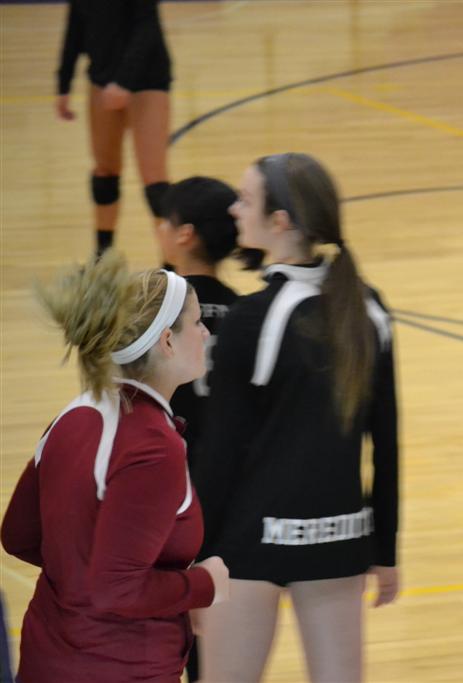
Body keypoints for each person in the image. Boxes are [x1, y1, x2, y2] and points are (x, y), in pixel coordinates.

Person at [192, 153, 400, 683]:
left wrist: (197, 558)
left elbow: (220, 455)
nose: (234, 210)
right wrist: (385, 548)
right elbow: (387, 441)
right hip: (341, 538)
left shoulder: (252, 320)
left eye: (245, 200)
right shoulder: (369, 308)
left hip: (250, 541)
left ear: (280, 222)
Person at [0, 252, 230, 682]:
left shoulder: (73, 414)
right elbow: (116, 589)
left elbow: (17, 535)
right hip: (122, 667)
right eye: (197, 322)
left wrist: (82, 575)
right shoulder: (154, 448)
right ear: (167, 341)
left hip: (46, 659)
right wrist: (204, 584)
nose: (205, 332)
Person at [157, 176, 241, 682]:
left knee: (164, 627)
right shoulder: (245, 310)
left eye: (164, 222)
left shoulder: (155, 311)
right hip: (224, 498)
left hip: (165, 491)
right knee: (214, 635)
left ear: (185, 234)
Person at [56, 0, 173, 256]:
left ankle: (171, 265)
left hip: (147, 79)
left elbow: (147, 27)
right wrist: (63, 84)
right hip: (102, 78)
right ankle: (103, 258)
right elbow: (75, 26)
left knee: (154, 182)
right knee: (104, 175)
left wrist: (124, 82)